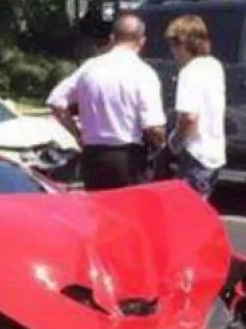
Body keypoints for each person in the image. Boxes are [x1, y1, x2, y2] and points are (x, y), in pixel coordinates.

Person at [46, 13, 166, 190]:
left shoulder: (89, 67)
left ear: (112, 38)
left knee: (98, 212)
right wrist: (163, 146)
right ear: (142, 41)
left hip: (93, 156)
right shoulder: (144, 73)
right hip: (127, 157)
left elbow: (56, 101)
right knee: (128, 213)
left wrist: (77, 134)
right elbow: (153, 127)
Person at [165, 15, 226, 199]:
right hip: (215, 152)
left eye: (173, 46)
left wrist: (174, 142)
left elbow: (190, 117)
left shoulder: (189, 72)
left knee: (187, 215)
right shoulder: (214, 66)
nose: (172, 52)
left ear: (182, 44)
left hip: (195, 153)